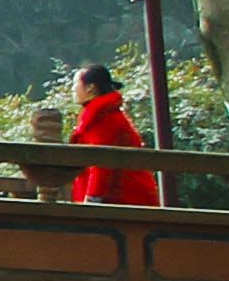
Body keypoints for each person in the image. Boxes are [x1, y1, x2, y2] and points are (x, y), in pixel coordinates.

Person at [64, 63, 159, 207]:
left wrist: (92, 200)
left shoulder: (103, 119)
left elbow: (101, 163)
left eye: (75, 83)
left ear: (91, 87)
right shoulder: (100, 115)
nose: (72, 88)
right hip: (123, 198)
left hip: (126, 199)